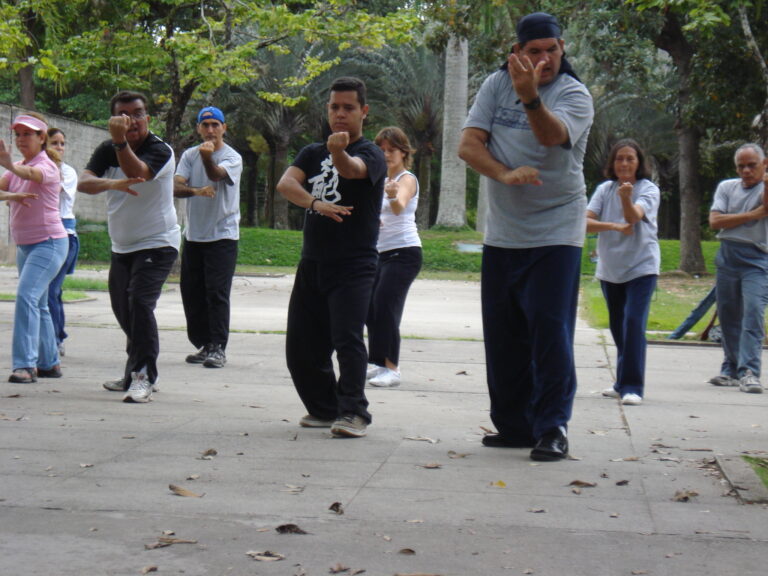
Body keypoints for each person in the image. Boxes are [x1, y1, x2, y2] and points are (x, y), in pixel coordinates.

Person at [458, 12, 594, 461]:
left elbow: (554, 138)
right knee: (504, 333)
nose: (544, 58)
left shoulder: (575, 94)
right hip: (503, 231)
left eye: (551, 49)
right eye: (534, 51)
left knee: (549, 331)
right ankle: (514, 426)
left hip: (557, 229)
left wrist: (531, 99)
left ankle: (552, 427)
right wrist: (504, 173)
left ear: (562, 48)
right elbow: (469, 145)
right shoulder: (495, 86)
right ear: (517, 52)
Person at [277, 76, 386, 438]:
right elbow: (286, 184)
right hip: (312, 263)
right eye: (334, 107)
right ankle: (326, 408)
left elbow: (352, 171)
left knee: (347, 338)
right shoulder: (311, 152)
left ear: (363, 112)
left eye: (348, 108)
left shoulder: (371, 153)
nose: (340, 114)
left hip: (353, 264)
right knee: (300, 346)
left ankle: (354, 412)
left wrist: (339, 151)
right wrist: (315, 203)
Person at [78, 90, 180, 403]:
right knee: (123, 310)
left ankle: (143, 376)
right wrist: (112, 183)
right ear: (113, 120)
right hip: (122, 246)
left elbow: (138, 172)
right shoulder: (107, 149)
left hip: (158, 243)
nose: (131, 120)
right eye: (123, 114)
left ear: (147, 117)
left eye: (137, 113)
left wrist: (121, 142)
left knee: (139, 304)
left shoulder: (159, 149)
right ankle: (135, 369)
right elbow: (83, 183)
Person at [586, 139, 660, 406]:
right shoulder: (604, 189)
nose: (625, 163)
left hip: (642, 267)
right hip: (611, 269)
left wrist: (627, 200)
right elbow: (585, 222)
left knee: (632, 324)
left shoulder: (648, 189)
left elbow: (633, 218)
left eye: (630, 158)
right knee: (618, 327)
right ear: (612, 164)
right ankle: (620, 382)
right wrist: (614, 227)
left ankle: (632, 386)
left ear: (639, 163)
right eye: (620, 159)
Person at [0, 113, 69, 383]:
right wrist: (11, 194)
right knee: (38, 304)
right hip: (26, 245)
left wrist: (10, 167)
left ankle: (25, 365)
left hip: (50, 243)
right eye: (17, 134)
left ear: (42, 138)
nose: (20, 139)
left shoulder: (48, 166)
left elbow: (31, 174)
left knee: (26, 297)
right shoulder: (15, 166)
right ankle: (49, 362)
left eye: (27, 134)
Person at [174, 106, 242, 369]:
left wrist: (206, 159)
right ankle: (204, 344)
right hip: (194, 235)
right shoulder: (190, 155)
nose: (211, 130)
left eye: (216, 124)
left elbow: (216, 175)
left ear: (224, 128)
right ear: (198, 128)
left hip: (222, 236)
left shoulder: (232, 157)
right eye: (206, 125)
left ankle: (218, 348)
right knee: (192, 292)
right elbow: (176, 187)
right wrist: (195, 191)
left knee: (217, 293)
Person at [707, 143, 768, 395]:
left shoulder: (764, 188)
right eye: (741, 166)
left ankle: (749, 371)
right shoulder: (726, 187)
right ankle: (730, 368)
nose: (746, 170)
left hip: (757, 259)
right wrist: (752, 214)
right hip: (728, 256)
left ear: (764, 165)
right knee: (729, 314)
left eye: (752, 165)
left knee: (752, 312)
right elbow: (714, 221)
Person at [365, 127, 422, 388]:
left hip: (405, 252)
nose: (386, 154)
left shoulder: (406, 179)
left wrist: (391, 196)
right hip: (380, 253)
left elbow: (399, 206)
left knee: (385, 305)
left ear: (403, 152)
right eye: (382, 150)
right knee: (371, 308)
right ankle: (377, 363)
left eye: (392, 150)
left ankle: (392, 368)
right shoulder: (377, 179)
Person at [46, 128, 80, 357]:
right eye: (54, 143)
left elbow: (50, 189)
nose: (59, 147)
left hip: (64, 234)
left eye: (62, 143)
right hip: (40, 233)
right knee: (50, 292)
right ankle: (53, 335)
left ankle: (56, 339)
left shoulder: (67, 172)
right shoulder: (36, 168)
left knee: (51, 289)